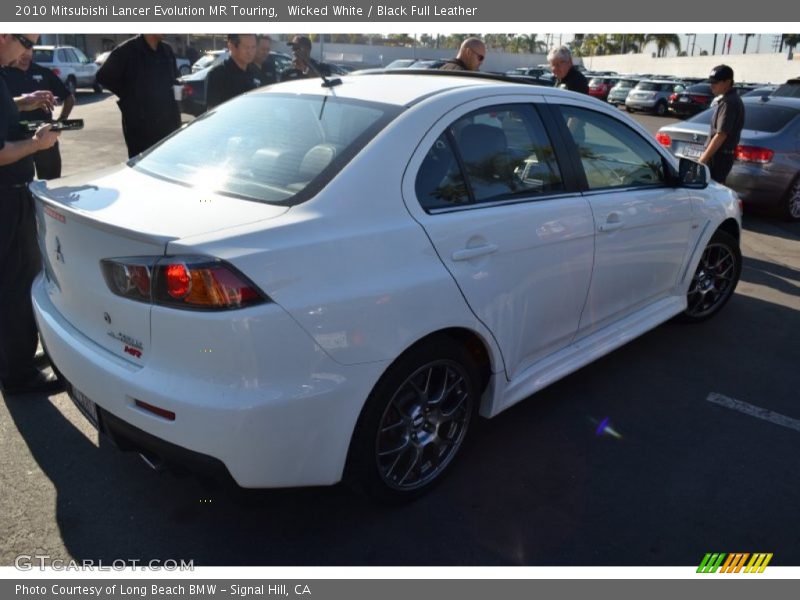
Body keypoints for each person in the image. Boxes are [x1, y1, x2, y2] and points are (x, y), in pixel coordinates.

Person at [0, 33, 62, 395]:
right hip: (6, 199)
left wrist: (24, 101)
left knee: (12, 280)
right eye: (26, 42)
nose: (28, 52)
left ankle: (13, 357)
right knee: (15, 282)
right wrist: (38, 144)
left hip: (10, 196)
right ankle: (19, 374)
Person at [95, 34, 181, 158]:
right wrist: (130, 96)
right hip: (141, 128)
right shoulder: (127, 50)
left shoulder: (167, 51)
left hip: (168, 125)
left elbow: (174, 79)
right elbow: (103, 76)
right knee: (143, 166)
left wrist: (180, 89)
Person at [1, 45, 74, 179]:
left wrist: (61, 121)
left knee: (51, 182)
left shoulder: (44, 72)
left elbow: (69, 97)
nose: (25, 54)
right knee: (20, 185)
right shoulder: (4, 73)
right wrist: (23, 102)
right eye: (21, 49)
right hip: (14, 139)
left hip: (44, 134)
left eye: (28, 49)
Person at [699, 64, 745, 184]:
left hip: (719, 158)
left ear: (727, 82)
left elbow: (721, 135)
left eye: (716, 82)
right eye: (711, 82)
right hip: (720, 156)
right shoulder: (728, 100)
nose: (711, 85)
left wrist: (702, 160)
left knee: (711, 193)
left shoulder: (729, 103)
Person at [205, 34, 260, 110]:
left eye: (253, 47)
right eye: (246, 47)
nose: (250, 52)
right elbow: (212, 113)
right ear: (231, 46)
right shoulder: (218, 74)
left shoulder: (255, 71)